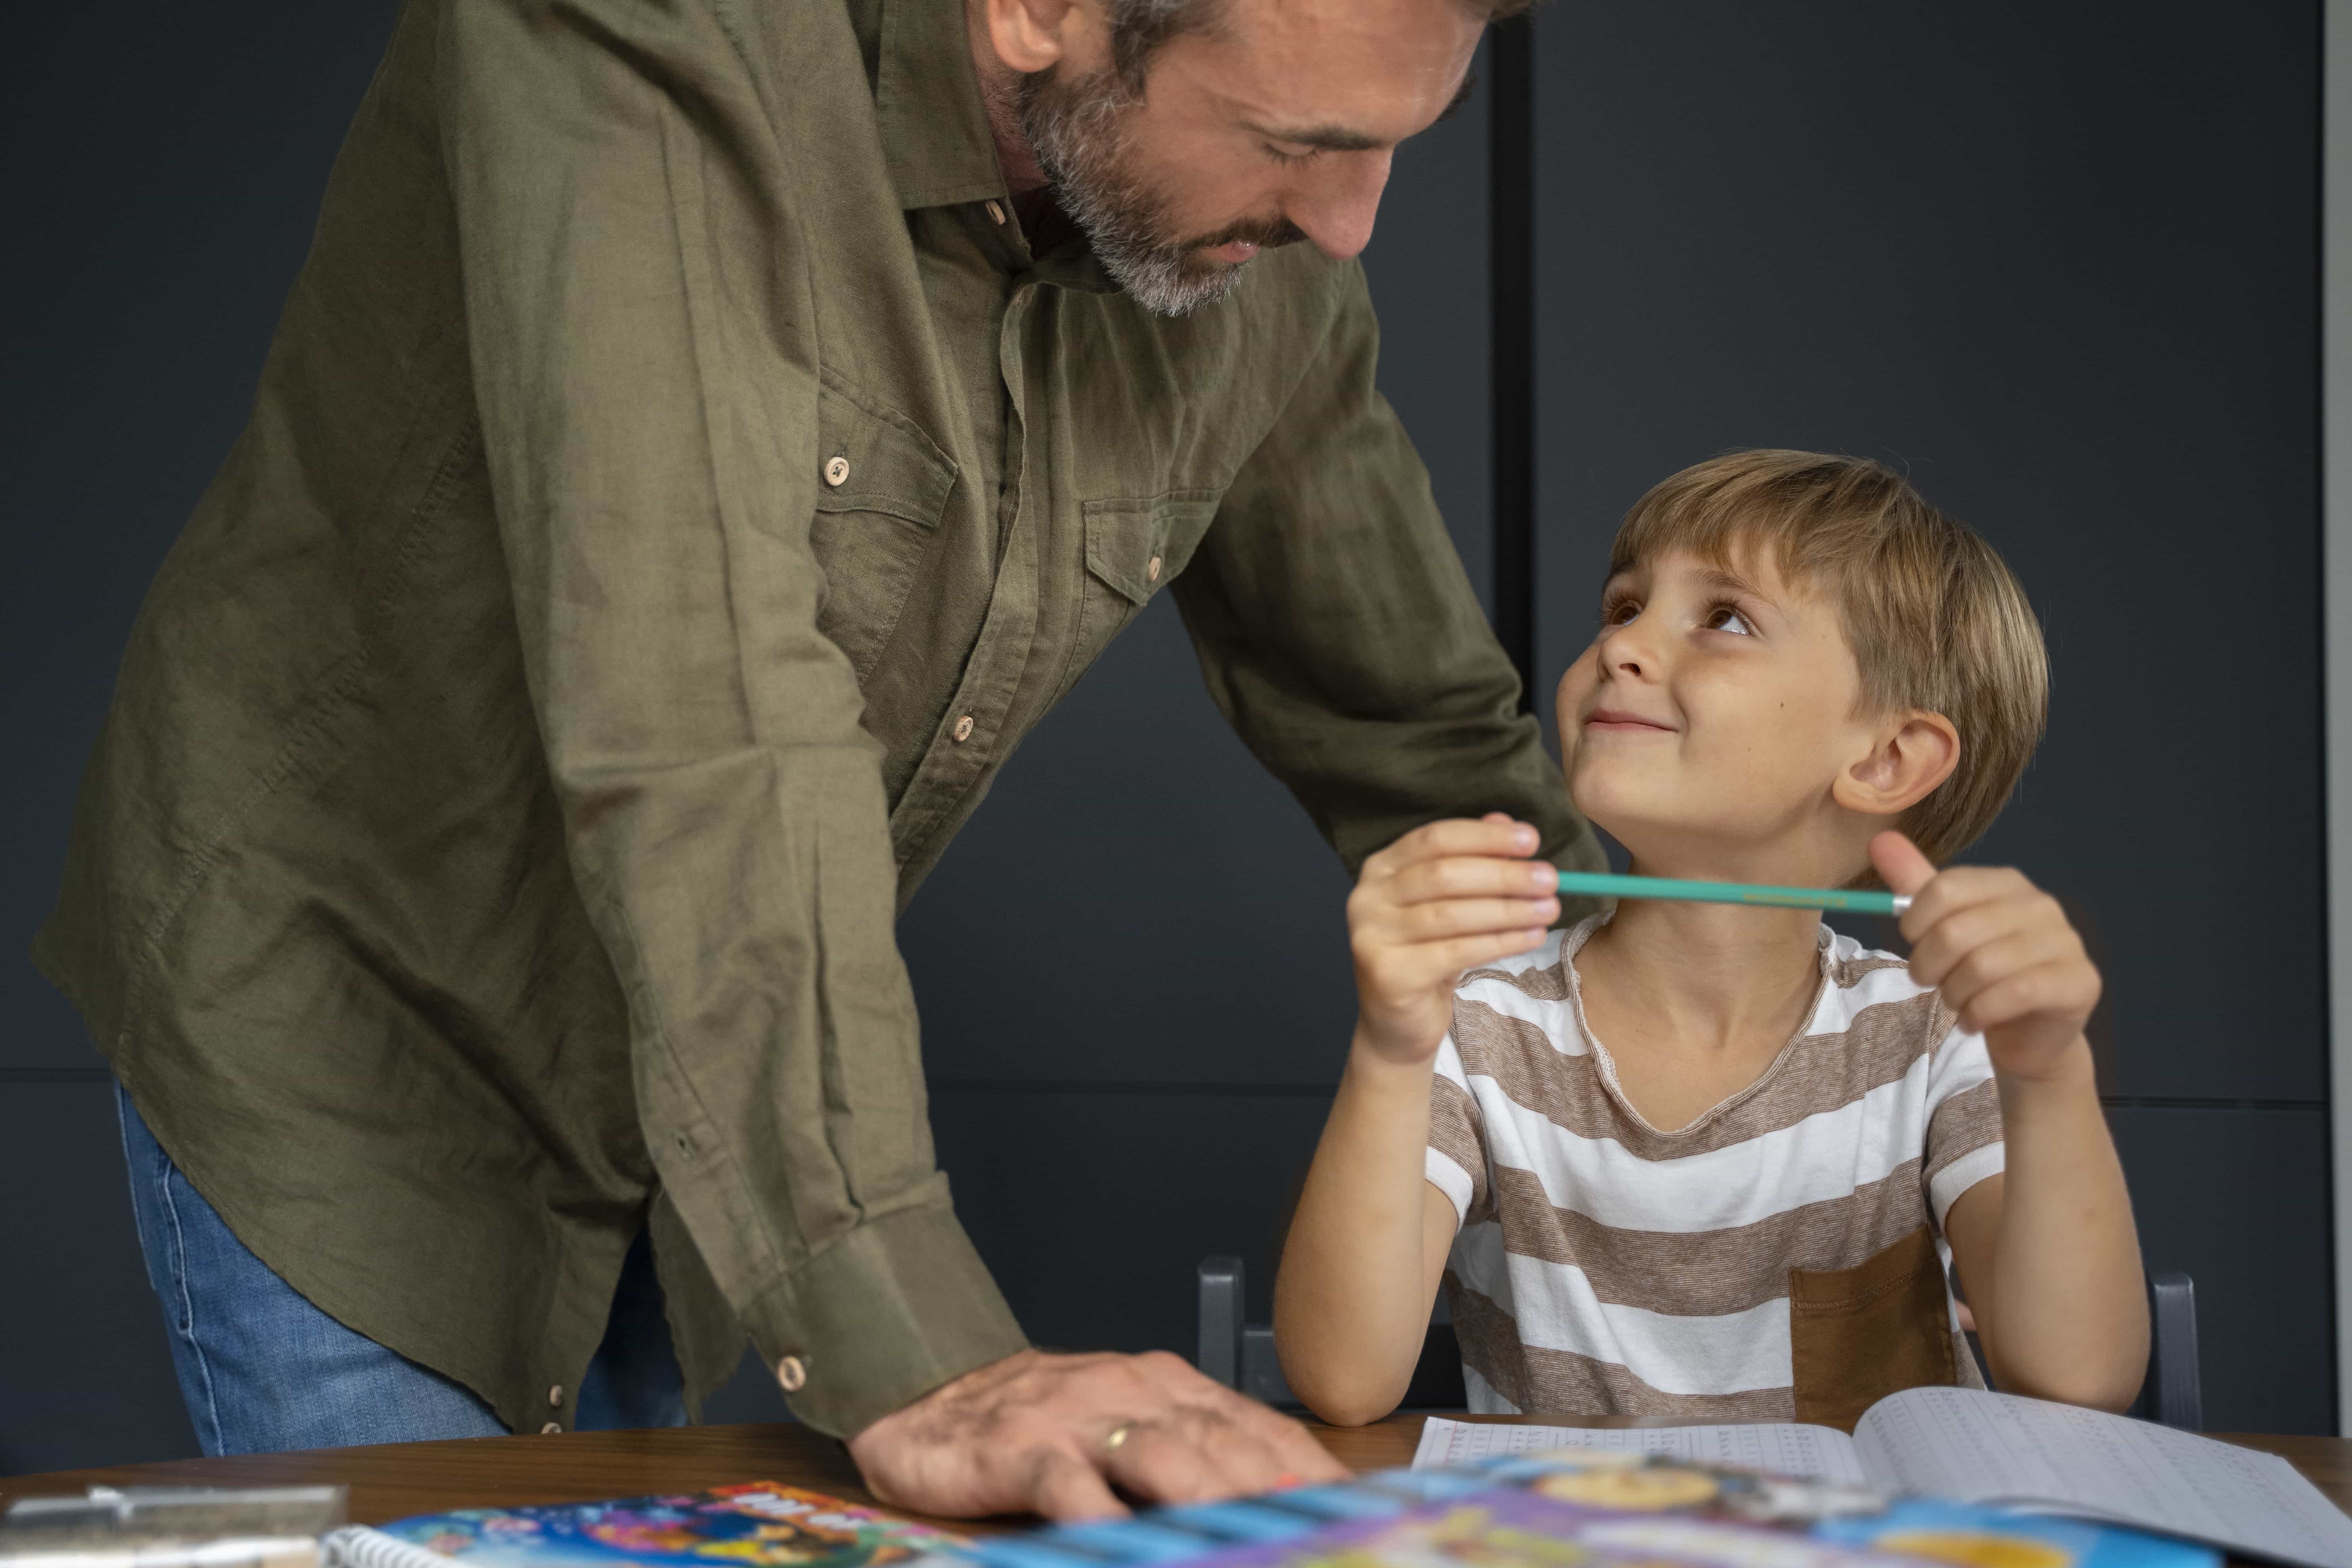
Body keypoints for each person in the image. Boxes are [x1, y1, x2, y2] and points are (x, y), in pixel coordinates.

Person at [33, 0, 1605, 1520]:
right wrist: (932, 1362)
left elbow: (1420, 736)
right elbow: (704, 721)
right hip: (357, 1008)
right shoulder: (636, 33)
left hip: (708, 1100)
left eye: (1397, 142)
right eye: (1294, 141)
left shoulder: (1251, 257)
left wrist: (1775, 998)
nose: (1346, 226)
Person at [1274, 450, 2149, 1427]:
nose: (1622, 647)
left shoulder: (1937, 1036)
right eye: (1622, 607)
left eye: (1724, 618)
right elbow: (1343, 1380)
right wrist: (1391, 1049)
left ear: (1887, 758)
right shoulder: (1474, 1023)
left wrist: (2047, 1075)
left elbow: (2079, 1381)